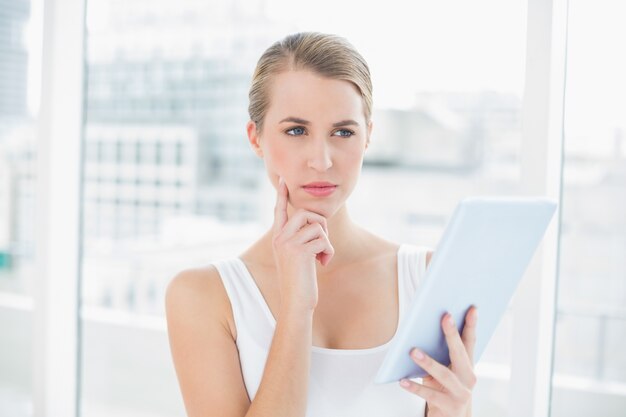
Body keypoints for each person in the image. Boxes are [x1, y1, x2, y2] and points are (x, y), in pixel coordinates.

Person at [165, 31, 478, 417]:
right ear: (256, 137)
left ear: (368, 139)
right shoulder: (203, 297)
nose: (322, 159)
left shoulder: (429, 278)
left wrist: (457, 409)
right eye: (296, 131)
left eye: (343, 132)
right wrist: (297, 308)